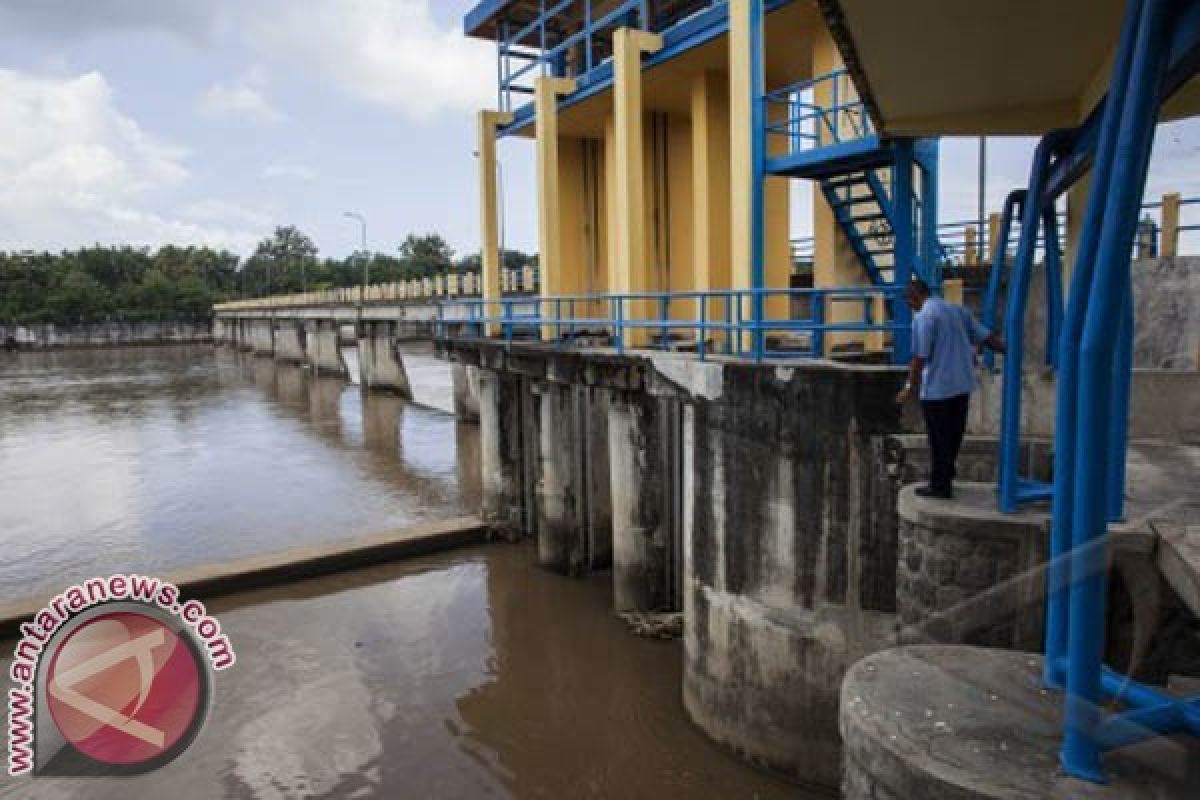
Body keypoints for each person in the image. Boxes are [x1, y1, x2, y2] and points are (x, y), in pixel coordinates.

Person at [895, 279, 1005, 499]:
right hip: (962, 384)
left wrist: (909, 387)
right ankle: (946, 476)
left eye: (909, 302)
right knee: (954, 436)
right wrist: (1009, 350)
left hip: (937, 389)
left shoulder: (924, 317)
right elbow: (986, 336)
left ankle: (940, 485)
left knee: (938, 438)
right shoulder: (958, 311)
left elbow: (919, 356)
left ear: (915, 296)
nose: (911, 307)